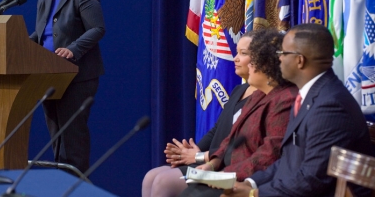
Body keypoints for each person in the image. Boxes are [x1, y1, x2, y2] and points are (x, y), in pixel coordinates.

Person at [225, 23, 373, 197]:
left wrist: (255, 194)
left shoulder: (330, 106)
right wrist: (251, 183)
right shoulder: (310, 95)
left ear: (299, 60)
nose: (278, 59)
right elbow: (288, 162)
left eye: (283, 53)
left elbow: (312, 181)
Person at [179, 28, 298, 197]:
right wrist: (211, 165)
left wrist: (224, 175)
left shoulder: (285, 100)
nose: (247, 66)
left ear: (266, 65)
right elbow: (230, 138)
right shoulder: (257, 94)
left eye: (252, 61)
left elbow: (269, 154)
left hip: (246, 181)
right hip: (226, 172)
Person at [142, 31, 258, 196]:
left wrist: (198, 156)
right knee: (151, 176)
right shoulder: (239, 90)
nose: (235, 58)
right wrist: (190, 152)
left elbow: (245, 143)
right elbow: (217, 130)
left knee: (163, 182)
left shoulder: (265, 99)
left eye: (243, 53)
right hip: (212, 159)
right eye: (237, 52)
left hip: (229, 166)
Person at [29, 0, 106, 174]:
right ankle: (60, 182)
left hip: (77, 76)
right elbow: (41, 34)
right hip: (50, 74)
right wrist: (20, 45)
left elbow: (97, 29)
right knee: (56, 135)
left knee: (72, 136)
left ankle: (75, 184)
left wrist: (73, 48)